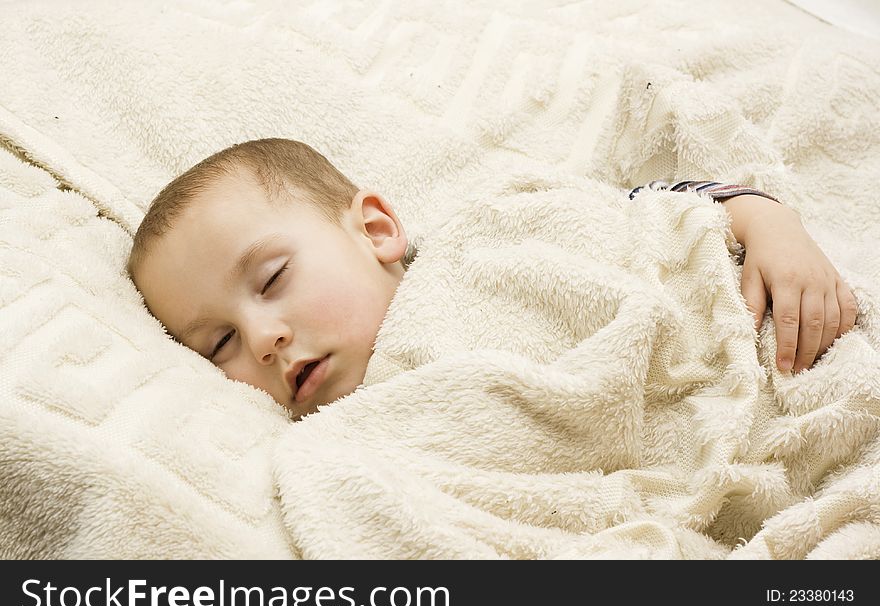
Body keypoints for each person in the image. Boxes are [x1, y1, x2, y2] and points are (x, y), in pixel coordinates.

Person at [127, 138, 859, 418]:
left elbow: (634, 214)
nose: (262, 339)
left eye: (273, 278)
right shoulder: (342, 436)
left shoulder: (487, 239)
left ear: (377, 231)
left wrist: (764, 220)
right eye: (217, 343)